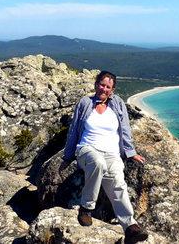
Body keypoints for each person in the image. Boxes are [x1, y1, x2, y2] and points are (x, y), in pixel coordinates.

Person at [62, 70, 149, 244]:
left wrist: (130, 153)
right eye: (102, 84)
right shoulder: (85, 103)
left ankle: (130, 226)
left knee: (118, 182)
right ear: (96, 85)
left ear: (113, 89)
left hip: (112, 153)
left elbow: (125, 129)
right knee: (98, 163)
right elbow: (73, 130)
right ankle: (86, 208)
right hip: (87, 149)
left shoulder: (117, 104)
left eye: (108, 87)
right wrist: (68, 156)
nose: (104, 89)